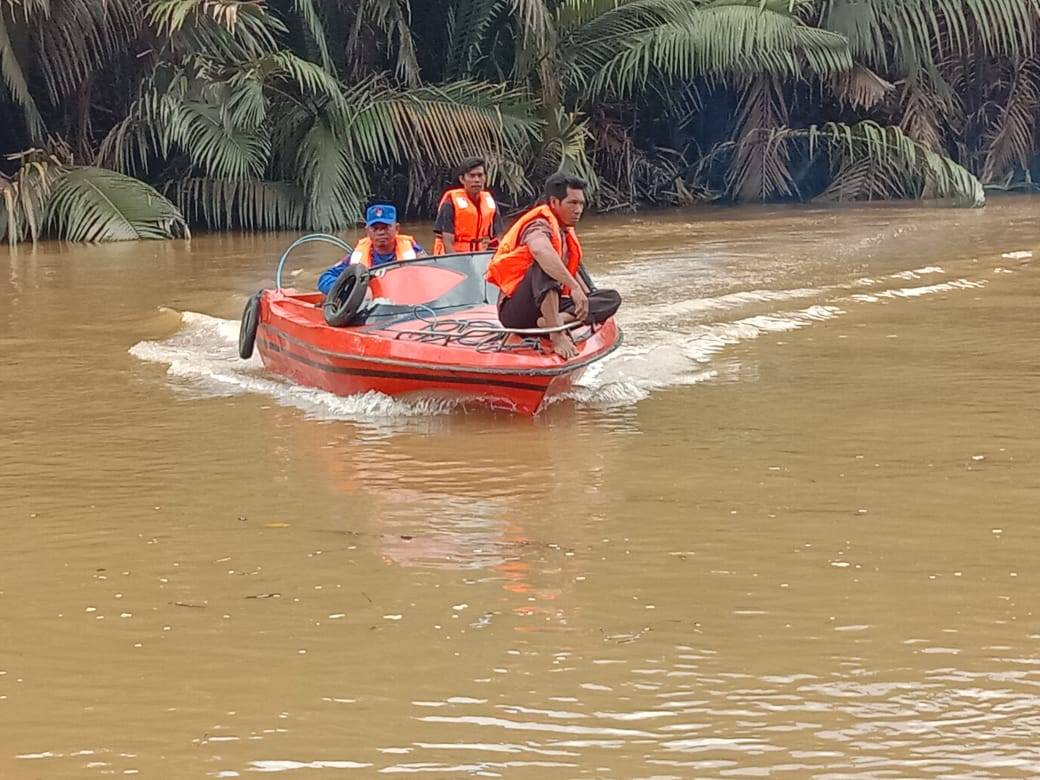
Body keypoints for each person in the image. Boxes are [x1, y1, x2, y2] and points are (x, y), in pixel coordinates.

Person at [485, 173, 622, 359]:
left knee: (611, 298)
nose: (578, 210)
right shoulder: (538, 224)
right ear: (554, 202)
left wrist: (587, 299)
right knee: (545, 264)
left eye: (581, 204)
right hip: (518, 309)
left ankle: (557, 319)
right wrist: (573, 288)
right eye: (572, 203)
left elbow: (578, 275)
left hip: (550, 305)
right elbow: (540, 250)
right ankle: (556, 332)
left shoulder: (565, 231)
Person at [318, 204, 426, 294]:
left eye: (385, 227)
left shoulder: (414, 252)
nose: (380, 232)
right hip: (372, 309)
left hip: (406, 305)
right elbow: (325, 278)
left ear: (397, 228)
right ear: (367, 231)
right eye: (375, 228)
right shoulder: (356, 256)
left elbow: (433, 273)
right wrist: (346, 290)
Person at [432, 157, 504, 255]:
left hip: (478, 257)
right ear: (462, 179)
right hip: (451, 258)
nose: (477, 180)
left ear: (485, 178)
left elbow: (499, 238)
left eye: (480, 175)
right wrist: (458, 264)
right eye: (472, 176)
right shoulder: (450, 202)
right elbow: (447, 242)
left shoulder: (490, 202)